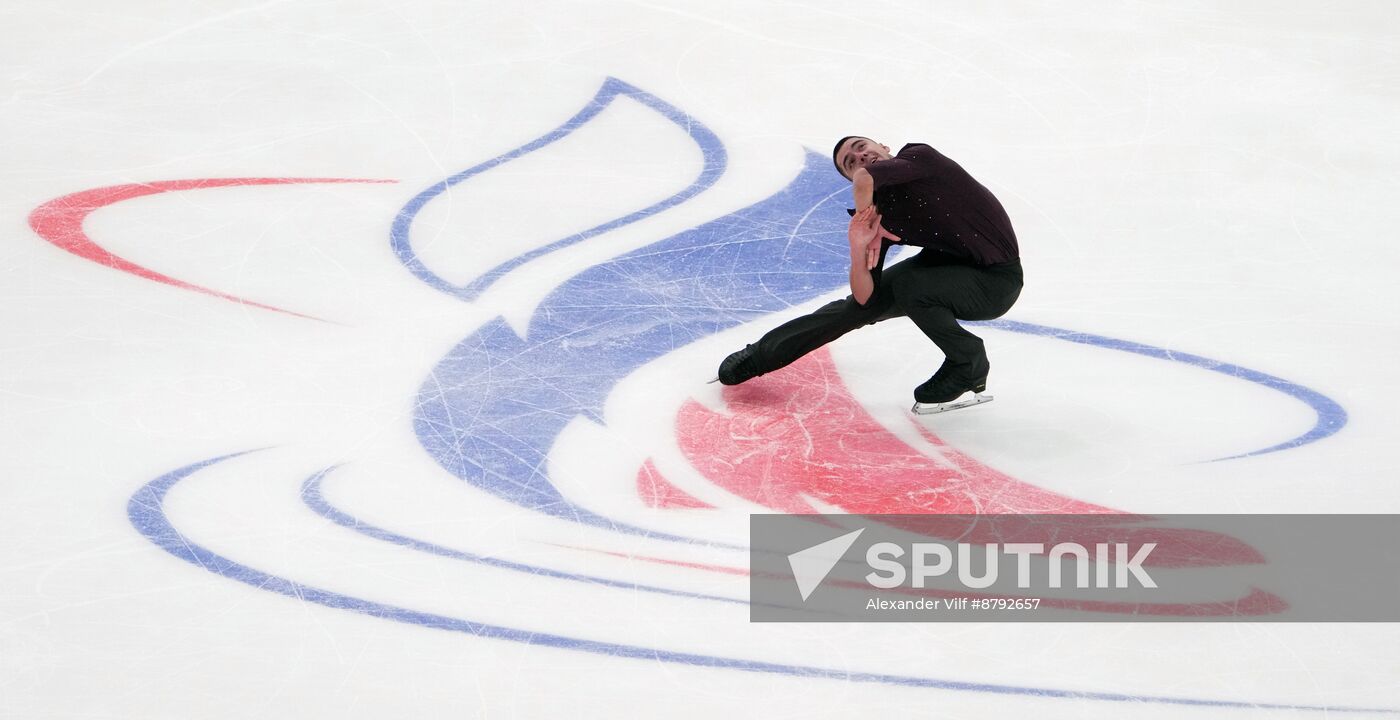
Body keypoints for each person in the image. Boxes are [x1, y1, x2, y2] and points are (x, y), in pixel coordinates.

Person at [716, 136, 1024, 409]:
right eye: (849, 162)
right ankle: (760, 356)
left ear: (884, 148)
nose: (860, 157)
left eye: (861, 148)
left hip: (996, 280)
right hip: (948, 266)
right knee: (854, 308)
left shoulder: (921, 157)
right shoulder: (881, 215)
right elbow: (865, 299)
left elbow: (864, 178)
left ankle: (967, 361)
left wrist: (866, 215)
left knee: (910, 284)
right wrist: (858, 245)